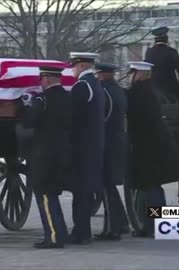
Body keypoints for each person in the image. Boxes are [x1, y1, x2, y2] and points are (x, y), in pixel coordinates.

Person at [126, 61, 179, 238]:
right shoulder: (148, 90)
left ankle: (154, 225)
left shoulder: (139, 92)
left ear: (141, 74)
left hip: (148, 149)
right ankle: (155, 224)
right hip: (155, 147)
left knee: (151, 188)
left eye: (133, 73)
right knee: (153, 187)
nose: (131, 76)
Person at [21, 66, 71, 249]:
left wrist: (27, 106)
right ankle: (60, 232)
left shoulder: (43, 99)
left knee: (46, 196)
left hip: (45, 155)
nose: (40, 83)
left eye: (41, 79)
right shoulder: (67, 97)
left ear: (47, 80)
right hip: (62, 152)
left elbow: (30, 121)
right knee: (52, 195)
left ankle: (54, 236)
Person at [69, 52, 106, 244]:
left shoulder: (82, 86)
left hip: (82, 148)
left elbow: (72, 115)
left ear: (82, 66)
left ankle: (81, 232)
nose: (72, 70)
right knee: (84, 192)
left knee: (80, 192)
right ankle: (82, 230)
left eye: (74, 66)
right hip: (93, 146)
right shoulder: (95, 84)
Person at [93, 63, 130, 241]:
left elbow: (103, 117)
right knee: (109, 187)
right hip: (116, 140)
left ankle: (112, 229)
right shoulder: (118, 90)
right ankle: (121, 222)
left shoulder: (104, 92)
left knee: (106, 187)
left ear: (101, 75)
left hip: (107, 142)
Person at [144, 26, 179, 104]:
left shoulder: (149, 52)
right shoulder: (172, 52)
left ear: (155, 40)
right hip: (170, 85)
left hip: (153, 85)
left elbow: (146, 69)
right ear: (166, 39)